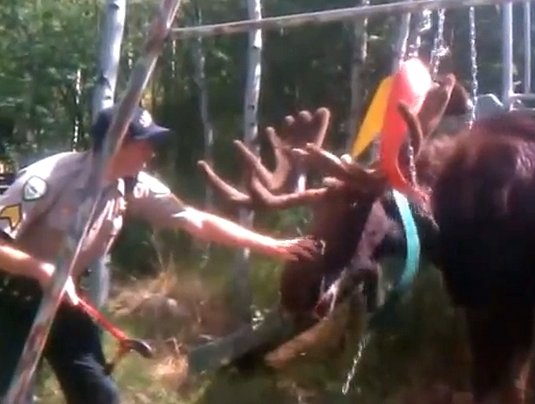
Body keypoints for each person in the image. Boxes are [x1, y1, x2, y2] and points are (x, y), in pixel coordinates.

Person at [0, 105, 319, 404]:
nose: (151, 152)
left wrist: (272, 245)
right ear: (117, 144)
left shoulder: (132, 184)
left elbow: (197, 220)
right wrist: (41, 269)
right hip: (9, 301)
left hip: (63, 301)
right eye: (144, 144)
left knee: (99, 395)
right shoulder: (45, 181)